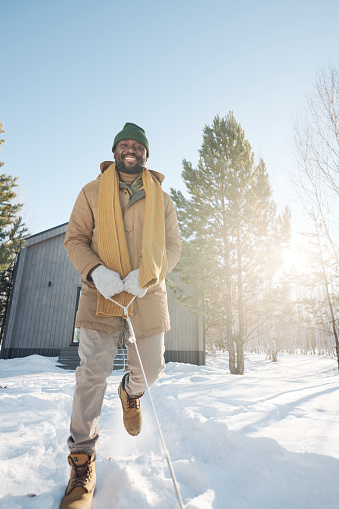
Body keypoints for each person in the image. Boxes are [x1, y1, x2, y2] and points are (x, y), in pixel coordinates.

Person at [59, 123, 181, 509]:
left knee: (152, 369)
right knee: (92, 372)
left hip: (146, 292)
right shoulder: (92, 192)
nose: (130, 150)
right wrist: (96, 271)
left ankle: (130, 393)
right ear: (114, 151)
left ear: (146, 153)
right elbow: (74, 239)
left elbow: (174, 245)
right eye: (124, 145)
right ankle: (82, 463)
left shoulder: (162, 196)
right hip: (101, 292)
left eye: (137, 146)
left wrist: (150, 275)